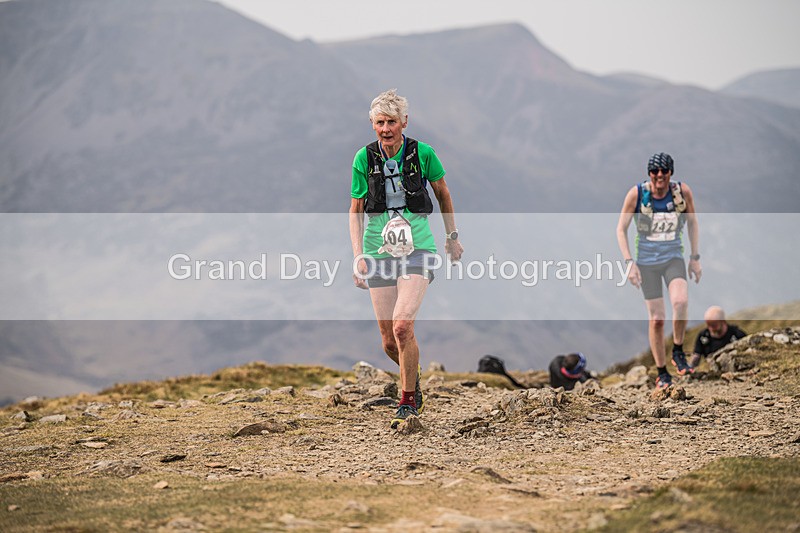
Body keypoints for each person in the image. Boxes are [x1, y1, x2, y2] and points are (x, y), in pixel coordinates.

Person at [349, 89, 464, 429]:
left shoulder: (423, 153)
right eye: (380, 123)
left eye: (392, 122)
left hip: (418, 248)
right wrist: (358, 256)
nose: (386, 129)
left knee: (402, 326)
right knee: (388, 341)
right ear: (372, 125)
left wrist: (452, 237)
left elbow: (443, 193)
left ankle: (407, 401)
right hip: (377, 251)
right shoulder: (362, 159)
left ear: (404, 122)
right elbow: (355, 211)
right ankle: (412, 375)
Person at [616, 152, 702, 389]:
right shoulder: (637, 194)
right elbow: (620, 229)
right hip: (646, 263)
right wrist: (629, 263)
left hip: (673, 257)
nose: (660, 176)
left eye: (665, 171)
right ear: (649, 173)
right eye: (655, 171)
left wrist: (695, 258)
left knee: (680, 302)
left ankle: (677, 349)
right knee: (656, 320)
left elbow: (693, 223)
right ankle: (662, 372)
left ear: (671, 172)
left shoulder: (682, 193)